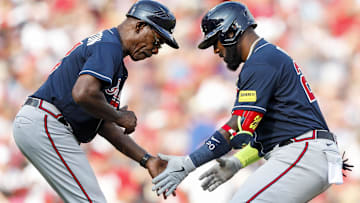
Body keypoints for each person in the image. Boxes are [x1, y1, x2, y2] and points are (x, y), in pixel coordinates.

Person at [152, 2, 352, 202]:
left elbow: (238, 127)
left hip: (304, 152)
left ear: (231, 32)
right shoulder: (266, 56)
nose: (215, 50)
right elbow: (270, 133)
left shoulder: (261, 60)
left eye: (215, 41)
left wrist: (188, 163)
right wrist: (238, 162)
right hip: (306, 152)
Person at [12, 0, 178, 202]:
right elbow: (83, 93)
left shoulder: (111, 51)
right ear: (140, 25)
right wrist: (118, 115)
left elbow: (103, 123)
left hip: (44, 123)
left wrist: (146, 159)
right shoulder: (110, 46)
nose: (155, 50)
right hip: (47, 123)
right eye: (157, 40)